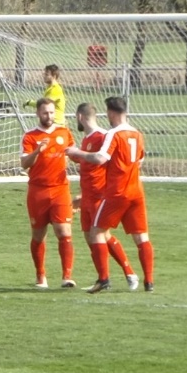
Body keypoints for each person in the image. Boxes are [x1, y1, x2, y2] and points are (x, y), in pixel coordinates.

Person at [66, 96, 155, 293]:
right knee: (141, 237)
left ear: (111, 113)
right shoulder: (137, 133)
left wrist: (77, 153)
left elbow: (100, 158)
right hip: (135, 190)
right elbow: (140, 160)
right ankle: (149, 282)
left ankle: (105, 279)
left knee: (97, 233)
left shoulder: (112, 134)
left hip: (116, 192)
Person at [21, 97, 76, 289]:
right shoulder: (30, 136)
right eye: (45, 112)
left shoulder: (64, 132)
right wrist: (37, 151)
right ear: (38, 113)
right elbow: (24, 164)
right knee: (38, 235)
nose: (49, 116)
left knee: (64, 232)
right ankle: (40, 275)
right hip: (38, 191)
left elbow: (74, 155)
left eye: (52, 112)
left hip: (60, 190)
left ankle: (67, 276)